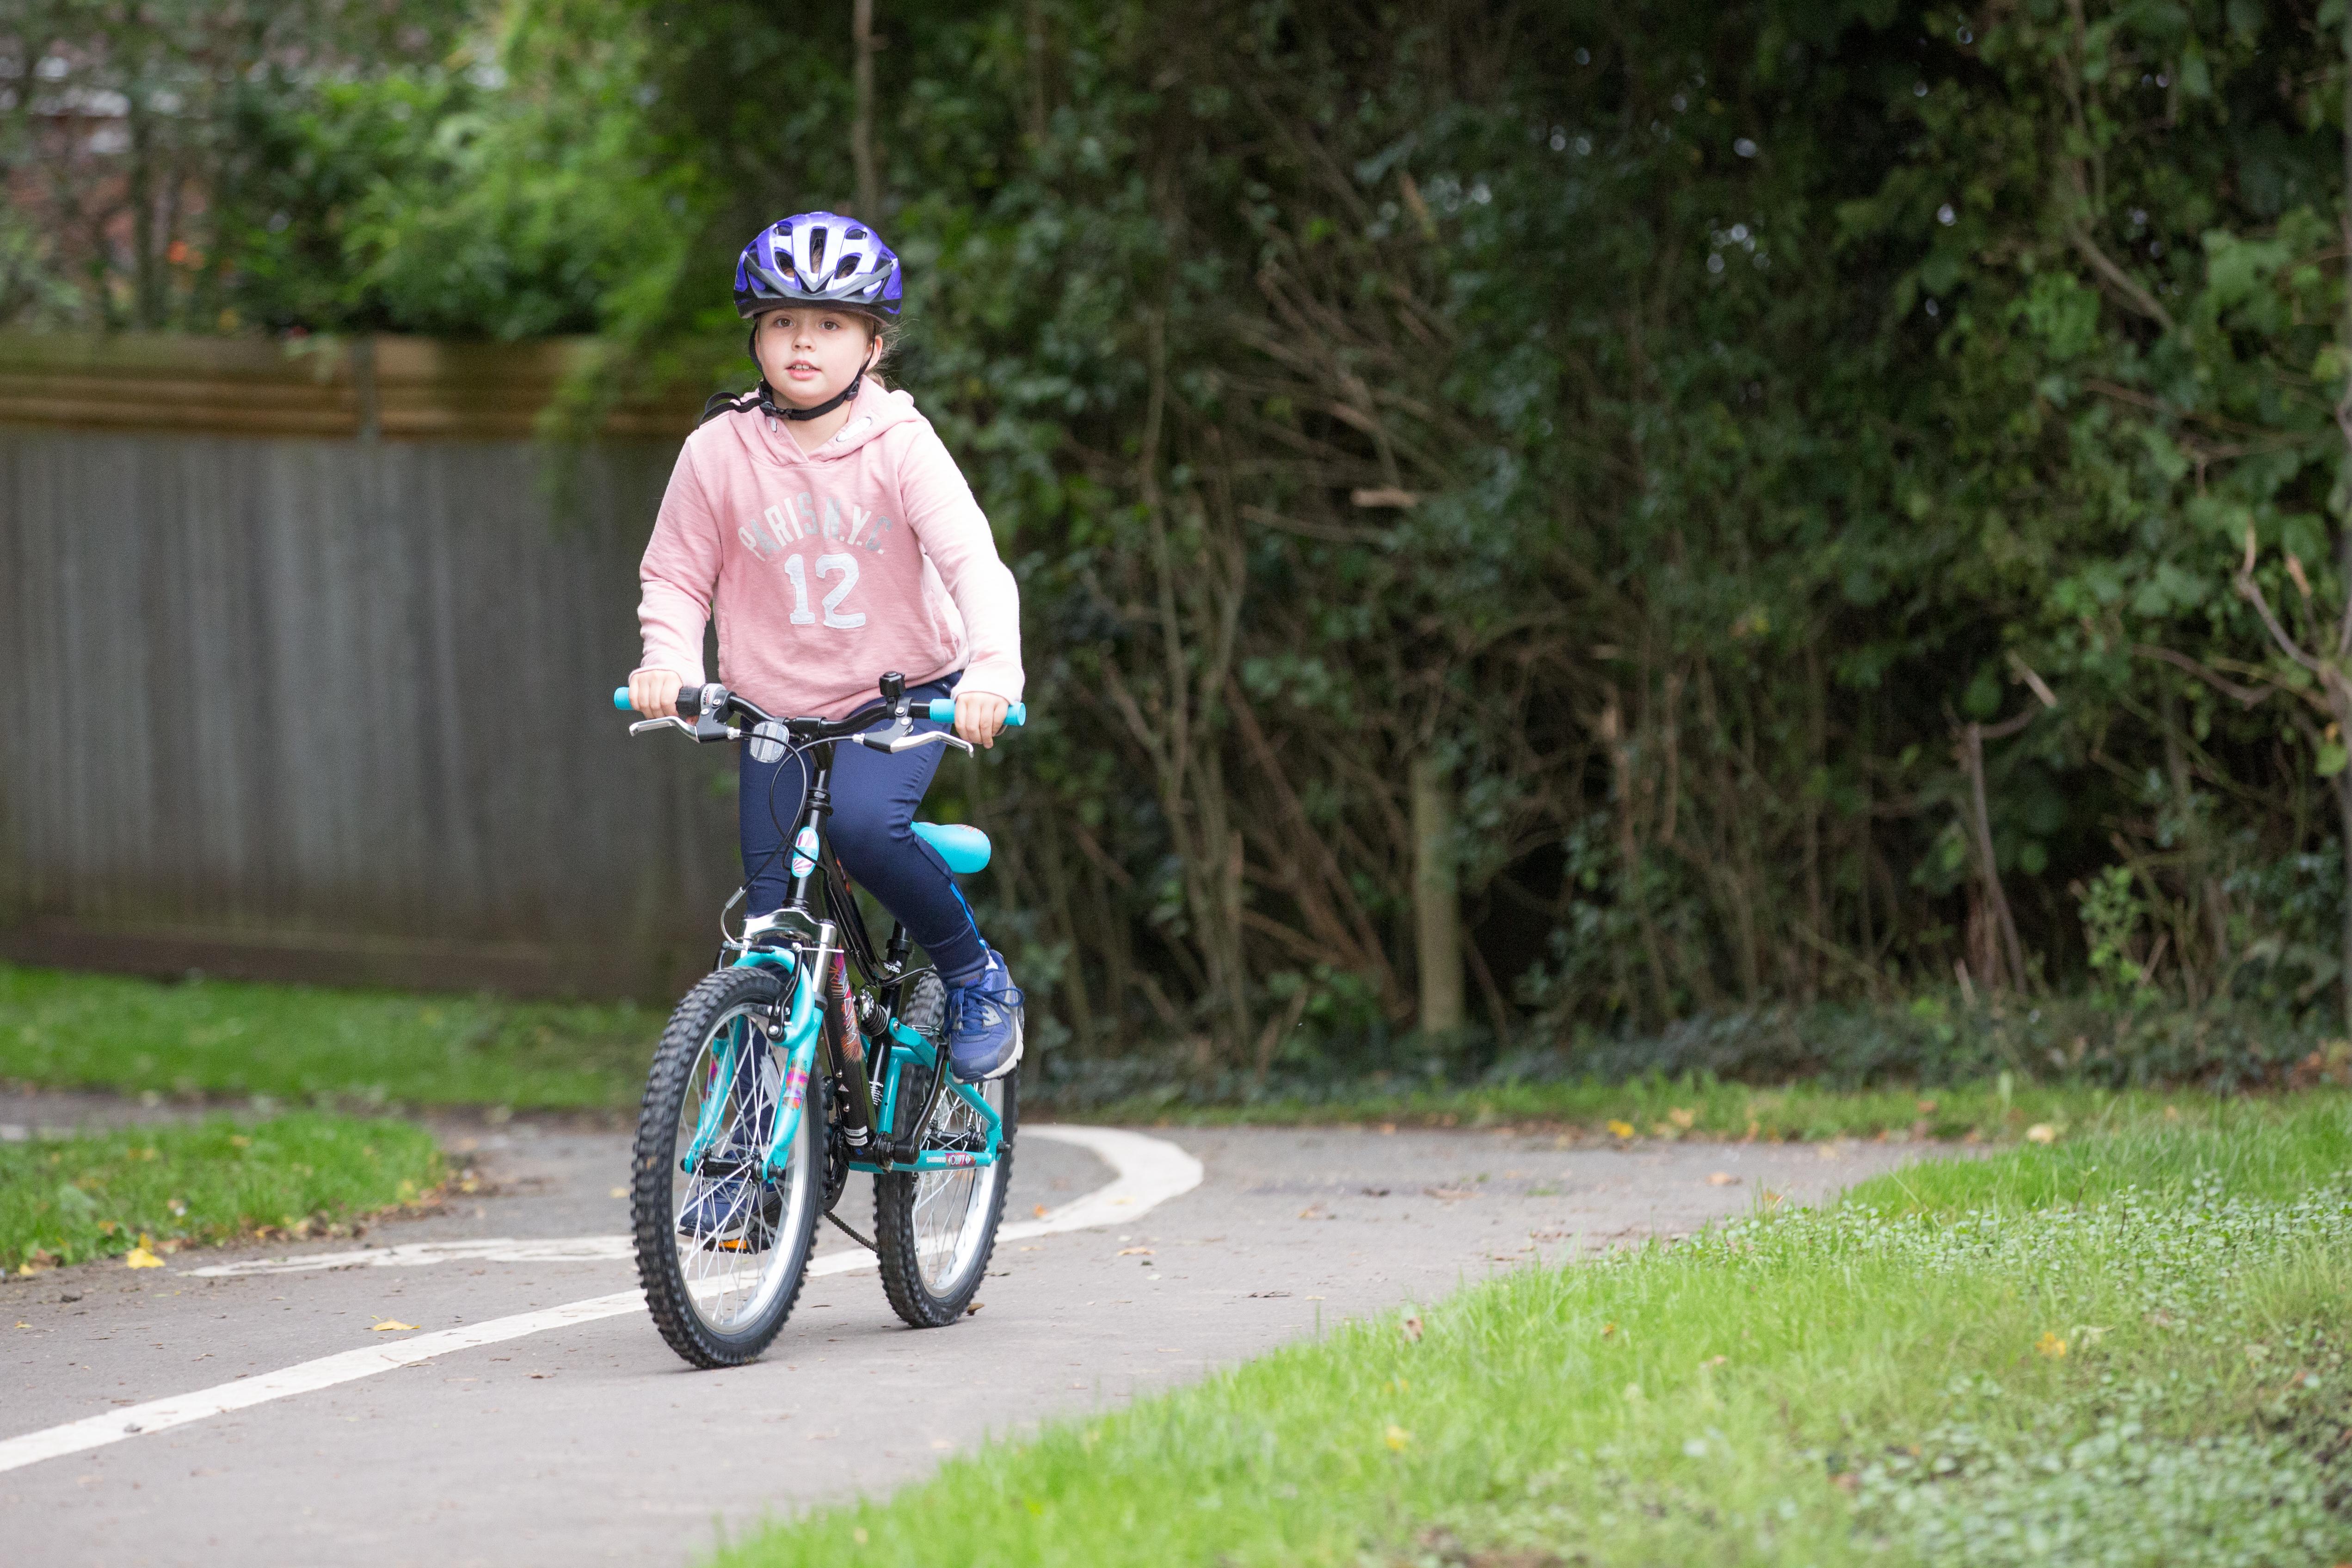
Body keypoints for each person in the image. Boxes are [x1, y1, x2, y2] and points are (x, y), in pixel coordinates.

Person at [627, 211, 1024, 1082]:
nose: (802, 342)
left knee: (863, 829)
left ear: (873, 346)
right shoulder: (716, 451)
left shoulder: (903, 448)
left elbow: (974, 567)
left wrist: (992, 673)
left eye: (830, 324)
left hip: (901, 697)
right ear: (757, 337)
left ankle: (973, 974)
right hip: (774, 708)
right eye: (781, 322)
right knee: (768, 928)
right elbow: (677, 577)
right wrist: (669, 664)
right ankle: (747, 1153)